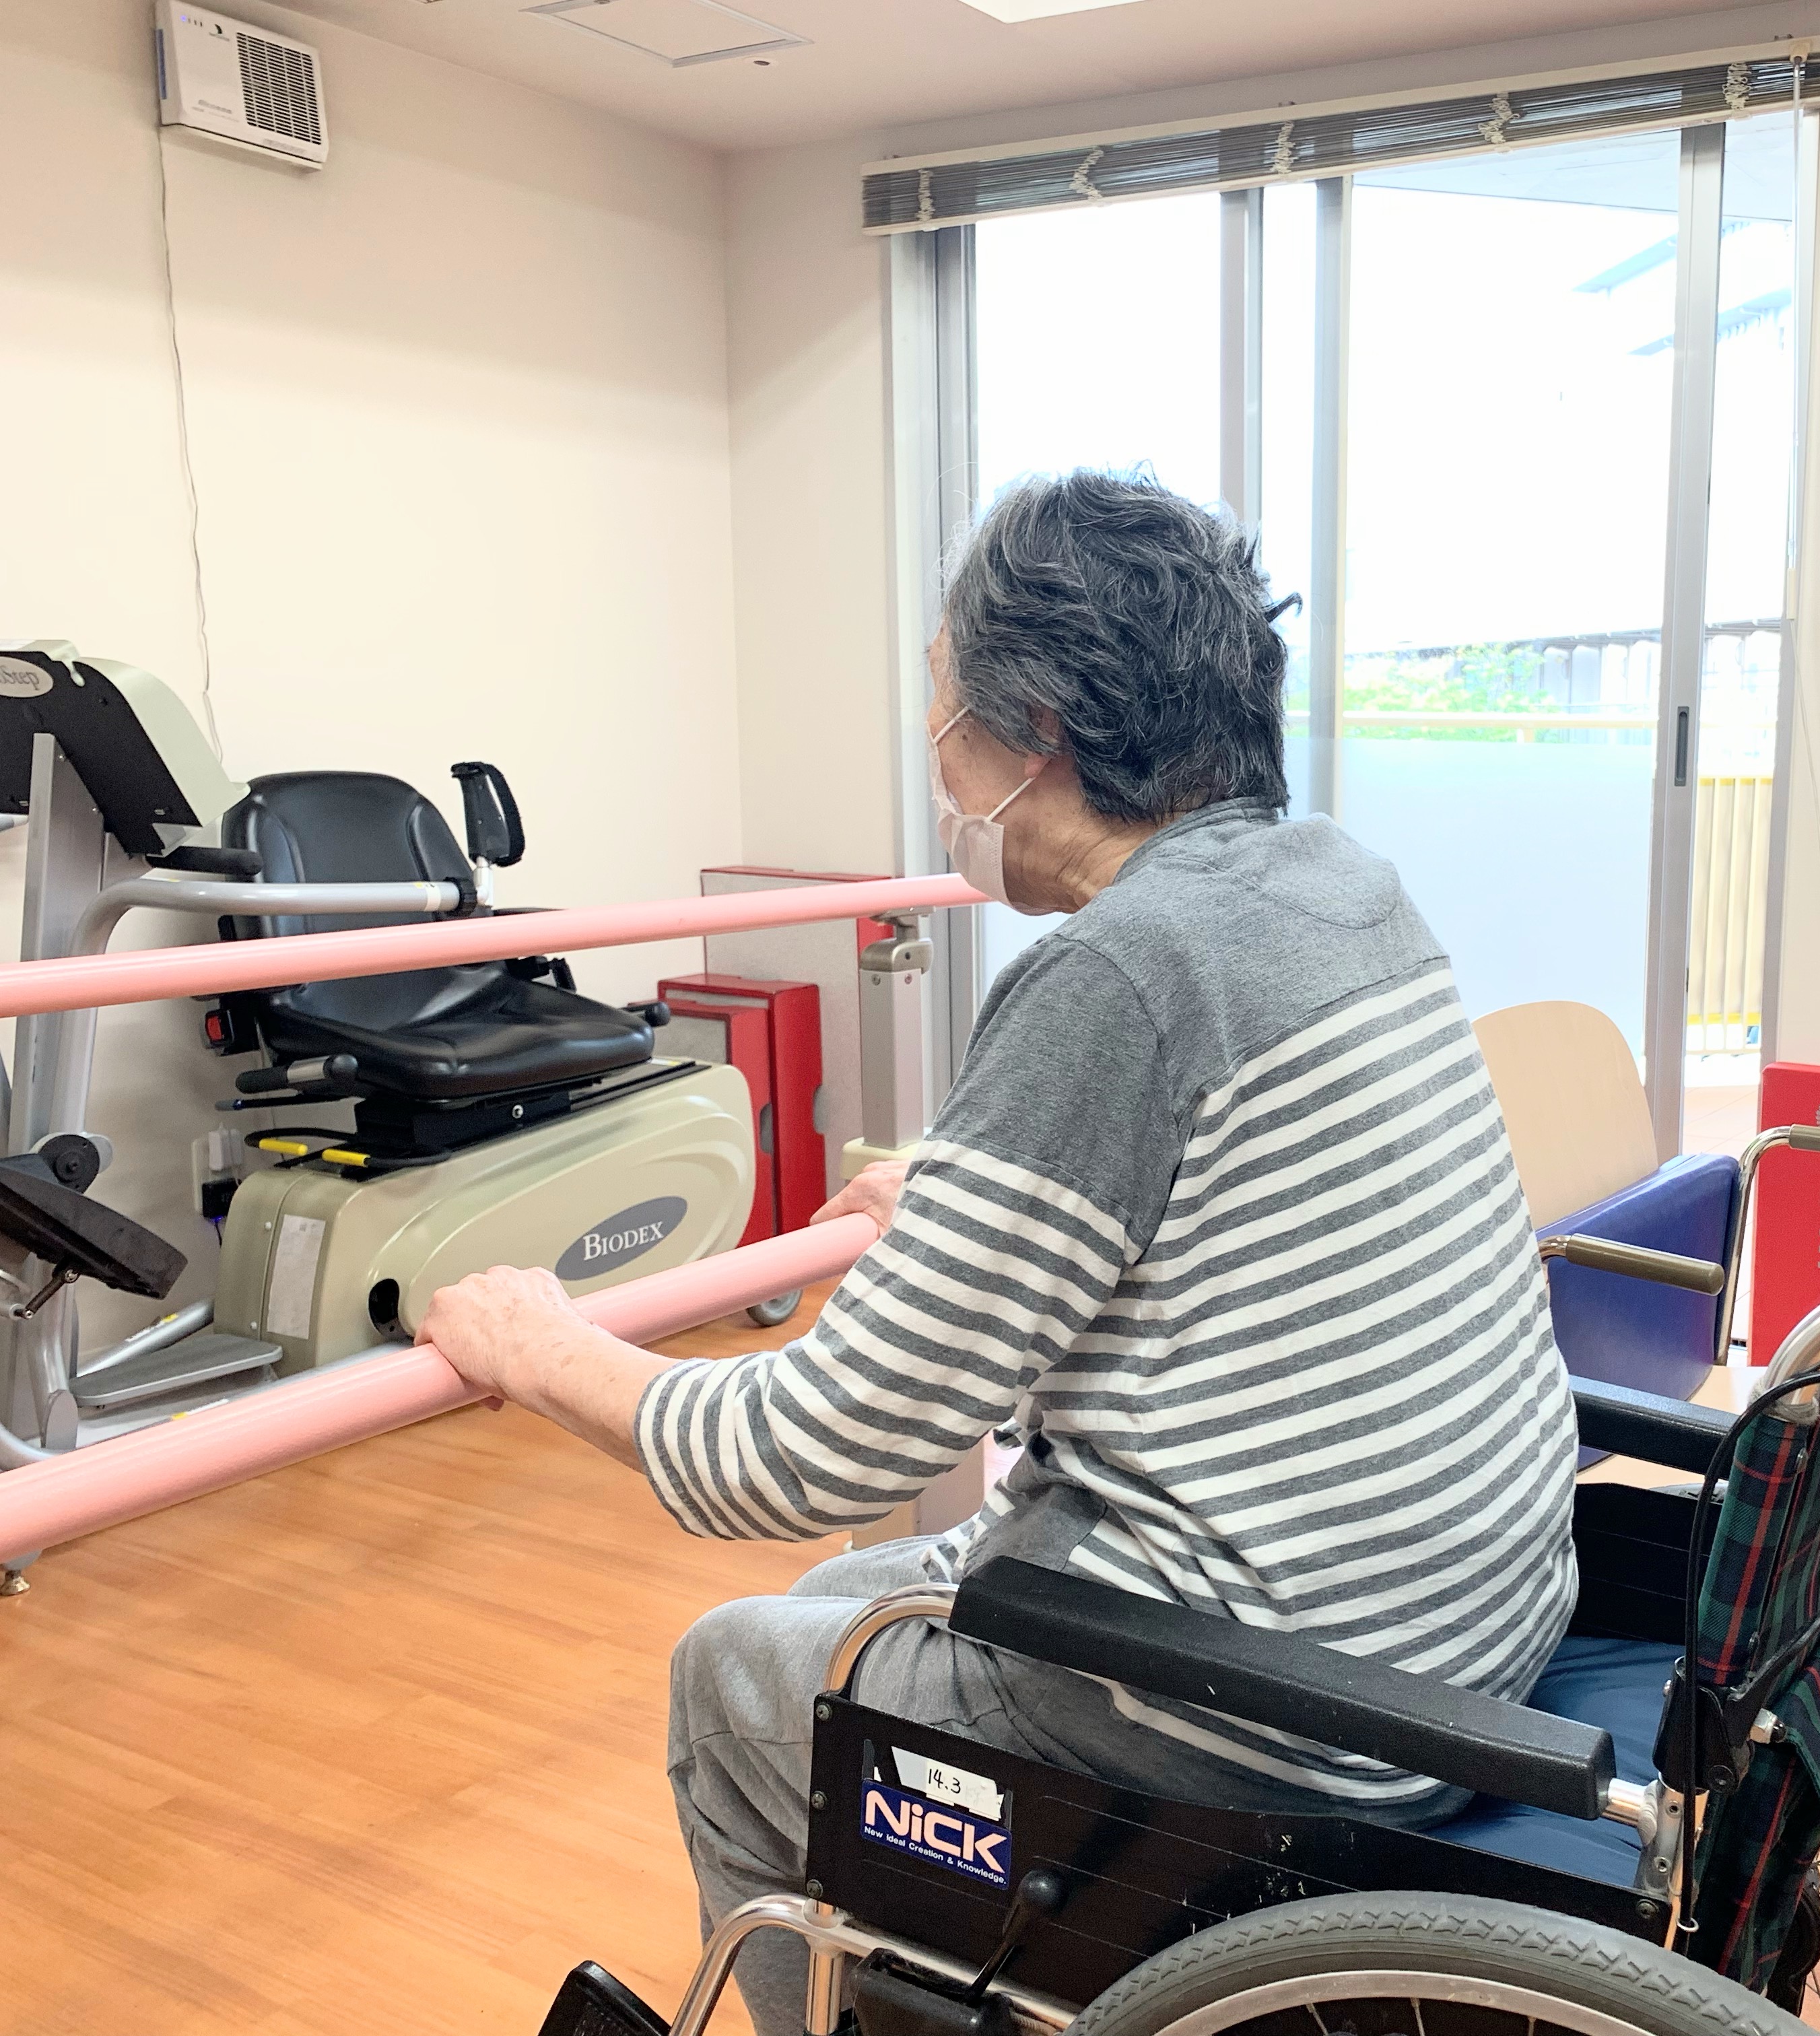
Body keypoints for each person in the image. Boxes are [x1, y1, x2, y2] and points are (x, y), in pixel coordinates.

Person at [421, 471, 1582, 2035]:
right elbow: (1223, 1257)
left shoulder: (1122, 969)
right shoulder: (1340, 886)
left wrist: (543, 1347)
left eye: (941, 705)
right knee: (852, 1593)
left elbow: (801, 1451)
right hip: (1467, 1628)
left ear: (1033, 733)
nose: (934, 754)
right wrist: (964, 1221)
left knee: (732, 1673)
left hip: (1276, 1713)